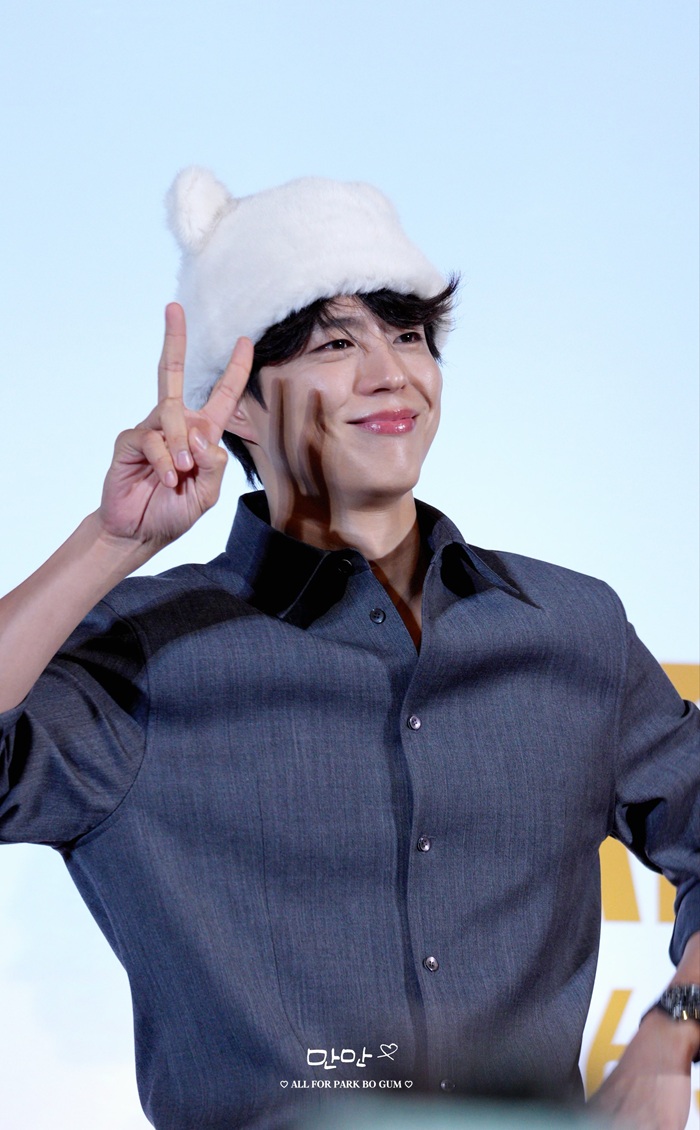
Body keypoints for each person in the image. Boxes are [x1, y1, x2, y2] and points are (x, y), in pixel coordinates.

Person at [0, 167, 698, 1130]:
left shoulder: (569, 627)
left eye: (408, 335)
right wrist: (110, 544)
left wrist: (672, 1030)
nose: (390, 373)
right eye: (335, 343)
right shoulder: (147, 655)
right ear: (238, 406)